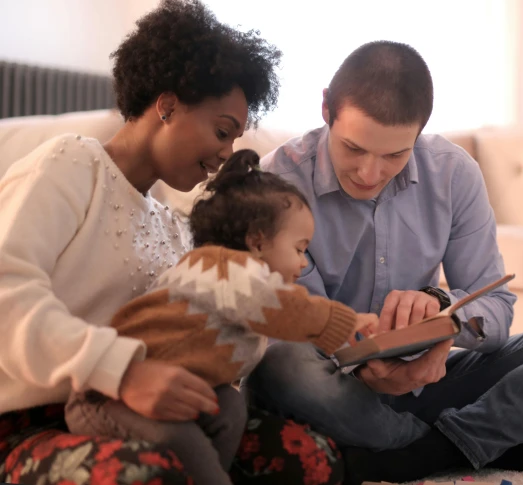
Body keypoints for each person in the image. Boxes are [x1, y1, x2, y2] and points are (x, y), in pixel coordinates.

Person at [243, 40, 523, 484]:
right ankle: (467, 442)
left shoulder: (453, 173)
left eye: (394, 154)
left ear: (420, 132)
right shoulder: (275, 183)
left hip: (428, 381)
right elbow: (291, 326)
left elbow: (496, 312)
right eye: (353, 148)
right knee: (278, 368)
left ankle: (426, 451)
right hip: (331, 388)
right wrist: (364, 367)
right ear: (325, 109)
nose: (369, 174)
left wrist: (442, 317)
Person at [0, 0, 344, 485]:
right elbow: (6, 294)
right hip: (26, 422)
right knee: (155, 473)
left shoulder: (173, 225)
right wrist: (125, 372)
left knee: (311, 459)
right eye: (222, 131)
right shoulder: (71, 165)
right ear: (167, 104)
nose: (226, 154)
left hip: (144, 416)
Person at [64, 148, 379, 485]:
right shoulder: (224, 270)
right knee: (181, 442)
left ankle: (212, 473)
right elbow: (284, 307)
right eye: (300, 249)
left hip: (171, 394)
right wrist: (342, 321)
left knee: (228, 406)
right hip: (103, 399)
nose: (304, 263)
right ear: (257, 242)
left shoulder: (230, 285)